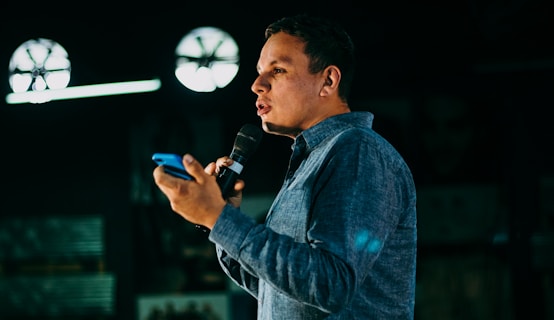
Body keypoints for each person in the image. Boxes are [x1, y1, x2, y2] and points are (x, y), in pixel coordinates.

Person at [153, 13, 417, 319]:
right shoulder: (313, 160)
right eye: (259, 72)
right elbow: (274, 288)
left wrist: (219, 216)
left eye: (278, 70)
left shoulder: (357, 151)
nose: (256, 85)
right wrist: (222, 221)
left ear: (328, 80)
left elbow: (331, 285)